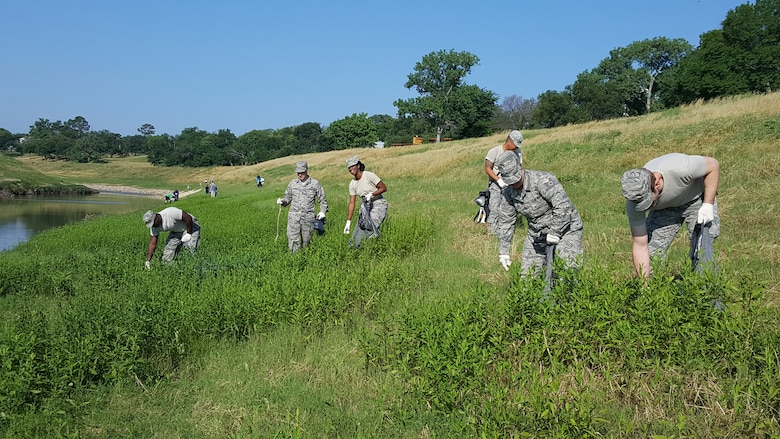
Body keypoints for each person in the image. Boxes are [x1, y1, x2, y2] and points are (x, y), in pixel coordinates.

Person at [621, 153, 720, 278]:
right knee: (652, 254)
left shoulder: (681, 168)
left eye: (648, 201)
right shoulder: (634, 200)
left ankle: (705, 289)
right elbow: (640, 245)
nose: (647, 207)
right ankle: (652, 289)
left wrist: (708, 204)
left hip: (696, 199)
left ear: (656, 184)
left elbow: (713, 165)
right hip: (665, 208)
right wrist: (644, 287)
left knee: (701, 249)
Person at [494, 150, 583, 275]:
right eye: (510, 181)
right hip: (537, 233)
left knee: (567, 272)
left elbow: (563, 206)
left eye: (516, 179)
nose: (514, 184)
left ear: (521, 168)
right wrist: (504, 252)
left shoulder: (542, 181)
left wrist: (555, 232)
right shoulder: (508, 193)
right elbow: (506, 222)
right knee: (527, 276)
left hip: (566, 229)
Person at [276, 161, 328, 253]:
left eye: (302, 172)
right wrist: (283, 201)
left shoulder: (315, 184)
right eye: (298, 173)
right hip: (294, 217)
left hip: (308, 217)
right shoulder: (293, 183)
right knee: (293, 239)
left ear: (307, 171)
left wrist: (322, 211)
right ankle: (294, 259)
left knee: (306, 241)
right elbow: (288, 197)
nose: (300, 175)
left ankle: (306, 257)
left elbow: (322, 199)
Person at [484, 130, 523, 234]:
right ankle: (492, 232)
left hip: (511, 185)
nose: (516, 148)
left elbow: (520, 167)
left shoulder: (517, 153)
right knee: (495, 208)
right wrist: (498, 180)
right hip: (496, 184)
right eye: (515, 145)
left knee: (509, 209)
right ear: (509, 142)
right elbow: (488, 168)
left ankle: (506, 230)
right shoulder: (495, 151)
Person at [343, 156, 388, 246]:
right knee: (359, 229)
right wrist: (348, 221)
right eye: (349, 167)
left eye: (353, 166)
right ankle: (355, 248)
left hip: (377, 203)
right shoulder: (352, 183)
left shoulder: (368, 175)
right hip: (365, 206)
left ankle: (372, 245)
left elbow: (383, 188)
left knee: (369, 228)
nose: (351, 169)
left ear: (358, 166)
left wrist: (372, 194)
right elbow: (352, 202)